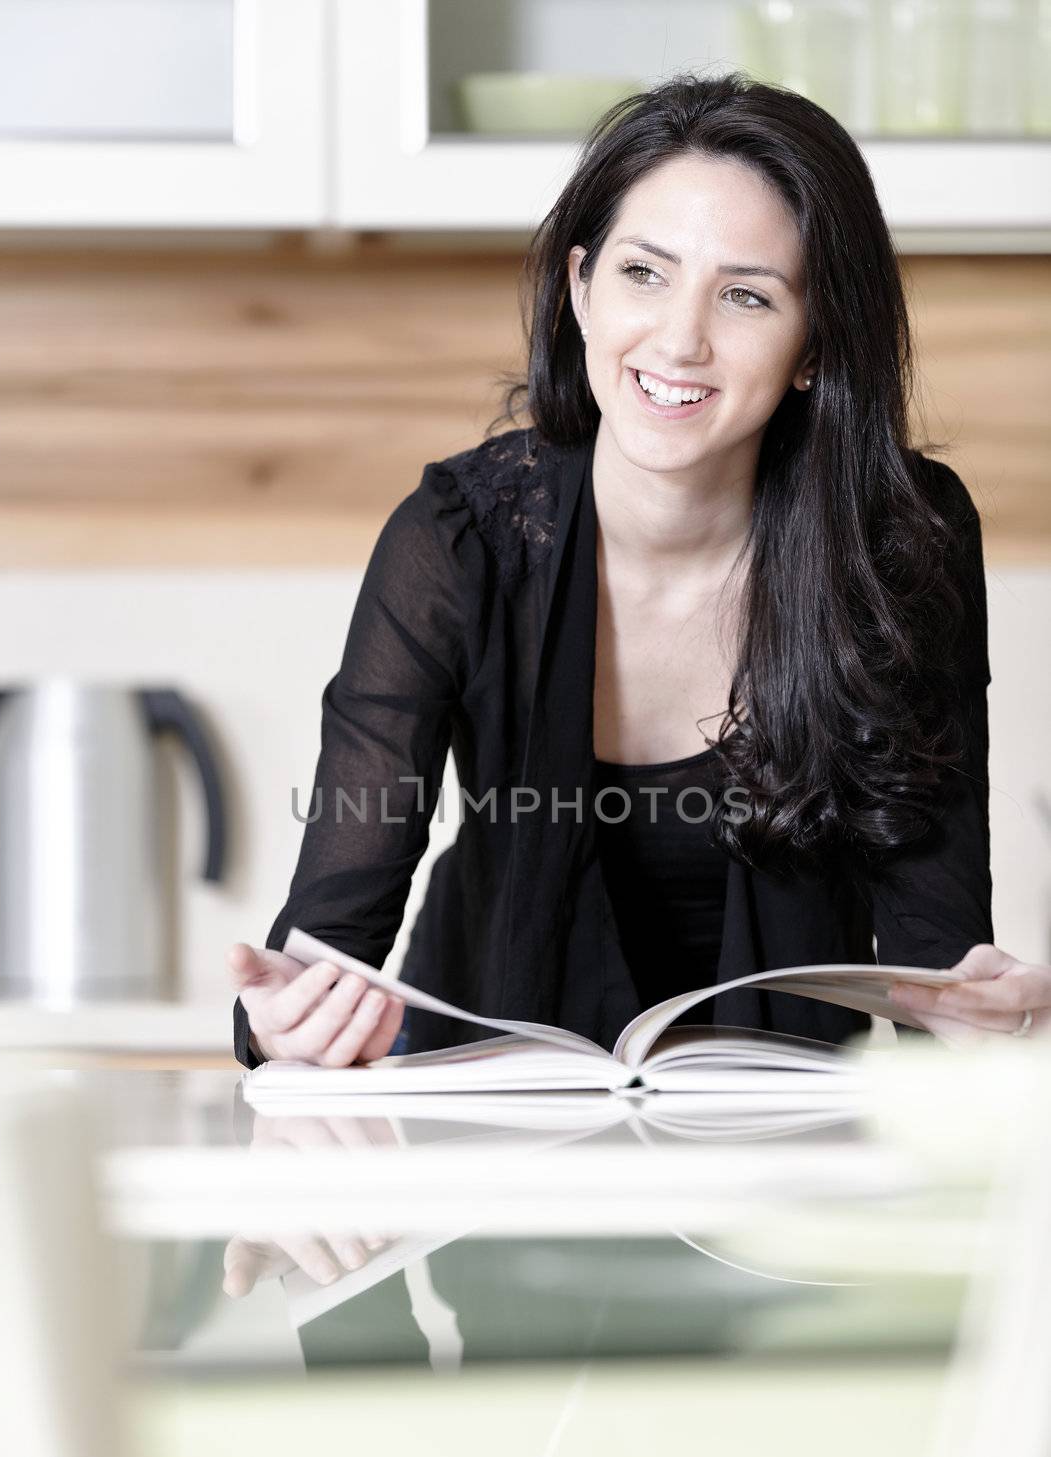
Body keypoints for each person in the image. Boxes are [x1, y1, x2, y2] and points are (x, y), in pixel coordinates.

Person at [228, 70, 1049, 1070]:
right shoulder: (459, 539)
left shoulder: (896, 541)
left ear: (812, 346)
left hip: (784, 1124)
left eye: (744, 295)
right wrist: (288, 1022)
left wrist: (984, 1008)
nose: (678, 339)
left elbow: (933, 954)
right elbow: (329, 934)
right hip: (492, 1108)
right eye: (642, 274)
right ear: (578, 286)